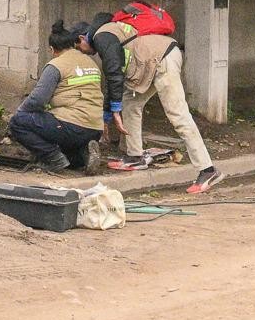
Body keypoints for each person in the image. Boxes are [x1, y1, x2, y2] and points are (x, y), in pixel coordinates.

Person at [78, 10, 224, 193]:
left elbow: (114, 74)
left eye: (79, 47)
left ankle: (207, 169)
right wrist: (108, 115)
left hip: (162, 59)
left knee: (177, 114)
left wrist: (113, 112)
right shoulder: (109, 31)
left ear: (82, 38)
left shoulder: (102, 36)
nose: (83, 53)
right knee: (131, 103)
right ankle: (135, 157)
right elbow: (112, 77)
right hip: (154, 62)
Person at [8, 20, 105, 174]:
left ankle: (53, 158)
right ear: (72, 45)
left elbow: (37, 100)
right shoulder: (91, 63)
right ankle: (82, 155)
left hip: (71, 126)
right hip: (95, 128)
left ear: (52, 49)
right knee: (65, 150)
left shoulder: (56, 65)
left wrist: (21, 112)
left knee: (17, 122)